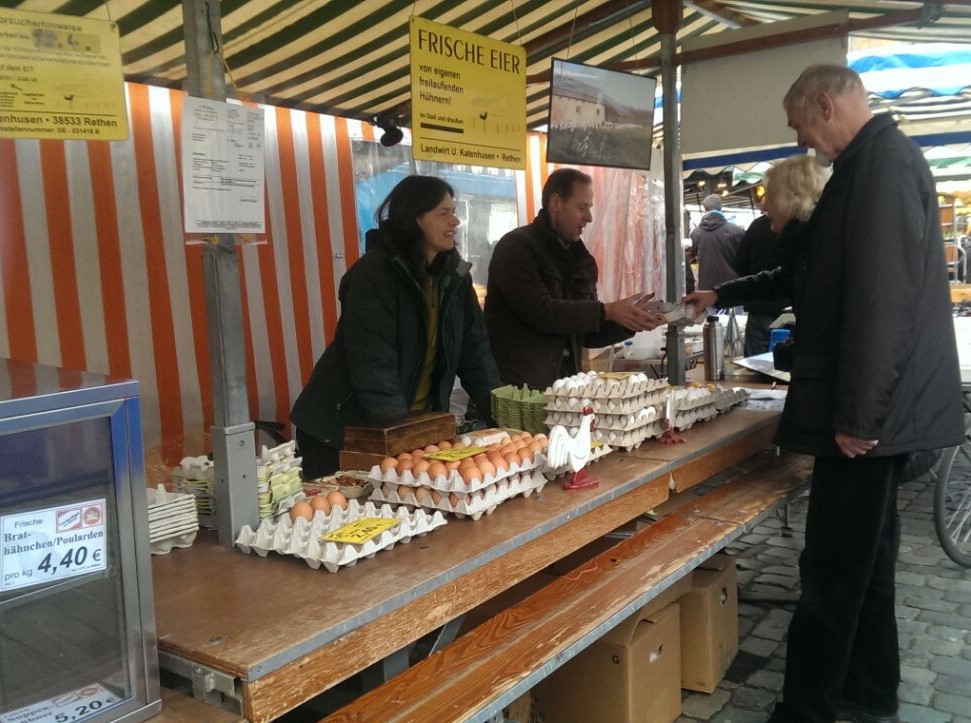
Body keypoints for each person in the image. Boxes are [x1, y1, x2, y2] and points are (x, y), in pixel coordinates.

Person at [686, 65, 963, 723]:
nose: (800, 138)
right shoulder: (869, 166)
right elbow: (811, 274)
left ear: (822, 105)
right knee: (865, 566)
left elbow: (880, 302)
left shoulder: (879, 168)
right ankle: (869, 690)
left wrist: (856, 415)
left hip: (867, 418)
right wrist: (720, 294)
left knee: (831, 572)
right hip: (874, 412)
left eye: (798, 124)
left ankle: (806, 709)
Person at [291, 175, 500, 478]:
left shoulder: (454, 277)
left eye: (454, 211)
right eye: (444, 212)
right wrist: (404, 443)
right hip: (344, 433)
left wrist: (505, 414)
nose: (455, 221)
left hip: (409, 431)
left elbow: (476, 354)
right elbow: (374, 367)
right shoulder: (374, 275)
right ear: (415, 217)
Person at [484, 168, 664, 391]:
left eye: (589, 208)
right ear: (556, 203)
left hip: (567, 390)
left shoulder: (582, 259)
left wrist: (629, 321)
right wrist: (607, 310)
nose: (589, 217)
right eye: (582, 207)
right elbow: (541, 312)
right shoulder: (516, 247)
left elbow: (586, 334)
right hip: (520, 392)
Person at [734, 212, 785, 356]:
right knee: (787, 372)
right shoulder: (805, 225)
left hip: (759, 309)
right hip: (790, 312)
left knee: (755, 369)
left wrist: (753, 284)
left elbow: (739, 264)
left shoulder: (757, 225)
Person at [690, 194, 745, 292]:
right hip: (731, 288)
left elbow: (695, 256)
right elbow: (743, 260)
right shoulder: (736, 231)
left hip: (705, 290)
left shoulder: (696, 233)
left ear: (704, 209)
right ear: (720, 208)